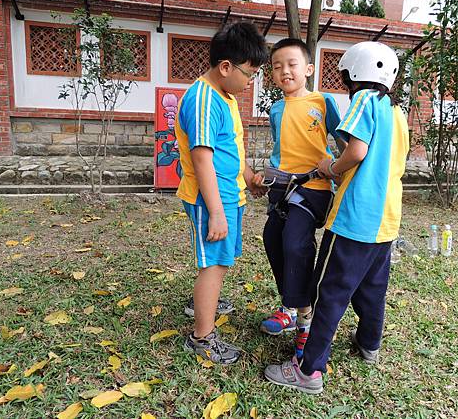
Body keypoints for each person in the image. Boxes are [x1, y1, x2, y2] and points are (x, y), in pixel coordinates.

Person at [264, 41, 410, 393]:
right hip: (387, 219)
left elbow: (355, 151)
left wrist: (332, 166)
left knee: (328, 291)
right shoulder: (396, 111)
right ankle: (369, 344)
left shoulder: (364, 101)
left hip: (355, 218)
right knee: (372, 288)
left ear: (353, 73)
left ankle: (308, 369)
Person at [175, 21, 268, 364]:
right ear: (225, 66)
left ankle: (204, 303)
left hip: (230, 194)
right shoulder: (202, 99)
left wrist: (249, 177)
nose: (251, 82)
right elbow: (202, 158)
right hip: (212, 199)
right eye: (250, 74)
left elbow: (228, 149)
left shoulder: (224, 95)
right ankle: (202, 336)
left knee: (220, 262)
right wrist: (215, 211)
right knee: (213, 264)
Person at [260, 38, 344, 358]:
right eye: (277, 66)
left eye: (292, 64)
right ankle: (291, 307)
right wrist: (267, 175)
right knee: (273, 239)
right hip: (282, 186)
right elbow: (281, 151)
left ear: (308, 69)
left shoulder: (323, 102)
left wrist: (340, 171)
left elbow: (343, 141)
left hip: (314, 188)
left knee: (296, 243)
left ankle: (305, 324)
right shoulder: (276, 109)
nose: (285, 71)